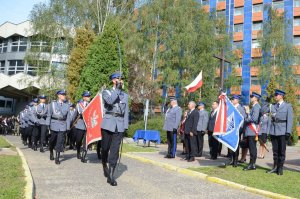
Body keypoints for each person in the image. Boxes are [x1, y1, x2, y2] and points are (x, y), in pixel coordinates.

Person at [101, 71, 129, 186]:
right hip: (108, 123)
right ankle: (104, 163)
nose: (120, 81)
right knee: (105, 148)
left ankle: (111, 176)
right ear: (113, 80)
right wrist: (117, 89)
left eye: (121, 79)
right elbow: (109, 101)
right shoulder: (106, 92)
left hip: (119, 124)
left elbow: (126, 111)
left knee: (115, 150)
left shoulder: (125, 95)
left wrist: (125, 126)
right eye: (118, 79)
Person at [267, 89, 293, 175]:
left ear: (281, 96)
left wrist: (288, 132)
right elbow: (264, 110)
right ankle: (275, 167)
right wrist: (267, 100)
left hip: (282, 131)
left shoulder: (287, 106)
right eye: (274, 95)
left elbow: (290, 119)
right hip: (273, 130)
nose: (275, 96)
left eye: (276, 95)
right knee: (275, 151)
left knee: (282, 151)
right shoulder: (273, 106)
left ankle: (280, 168)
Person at [46, 90, 71, 164]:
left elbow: (68, 117)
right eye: (63, 95)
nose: (64, 96)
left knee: (59, 142)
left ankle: (57, 157)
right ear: (58, 96)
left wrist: (68, 127)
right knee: (52, 141)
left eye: (64, 94)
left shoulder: (67, 105)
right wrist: (48, 125)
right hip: (54, 124)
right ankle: (51, 151)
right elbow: (49, 115)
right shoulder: (52, 104)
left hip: (62, 125)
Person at [243, 92, 261, 171]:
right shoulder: (254, 106)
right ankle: (252, 164)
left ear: (256, 98)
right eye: (251, 96)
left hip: (252, 131)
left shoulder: (256, 107)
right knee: (251, 148)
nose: (251, 98)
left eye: (252, 96)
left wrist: (247, 114)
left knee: (252, 148)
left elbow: (254, 119)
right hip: (250, 130)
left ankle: (252, 164)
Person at [73, 91, 91, 163]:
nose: (89, 97)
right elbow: (81, 113)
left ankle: (83, 156)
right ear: (84, 97)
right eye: (87, 96)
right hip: (80, 125)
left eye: (89, 96)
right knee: (78, 140)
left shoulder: (91, 105)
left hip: (88, 125)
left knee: (86, 141)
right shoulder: (79, 105)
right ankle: (78, 151)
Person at [230, 95, 247, 167]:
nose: (232, 100)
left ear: (237, 100)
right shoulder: (231, 108)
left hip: (237, 130)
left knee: (236, 145)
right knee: (231, 145)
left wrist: (240, 129)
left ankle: (236, 161)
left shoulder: (241, 108)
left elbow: (243, 119)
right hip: (232, 129)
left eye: (233, 99)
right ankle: (232, 159)